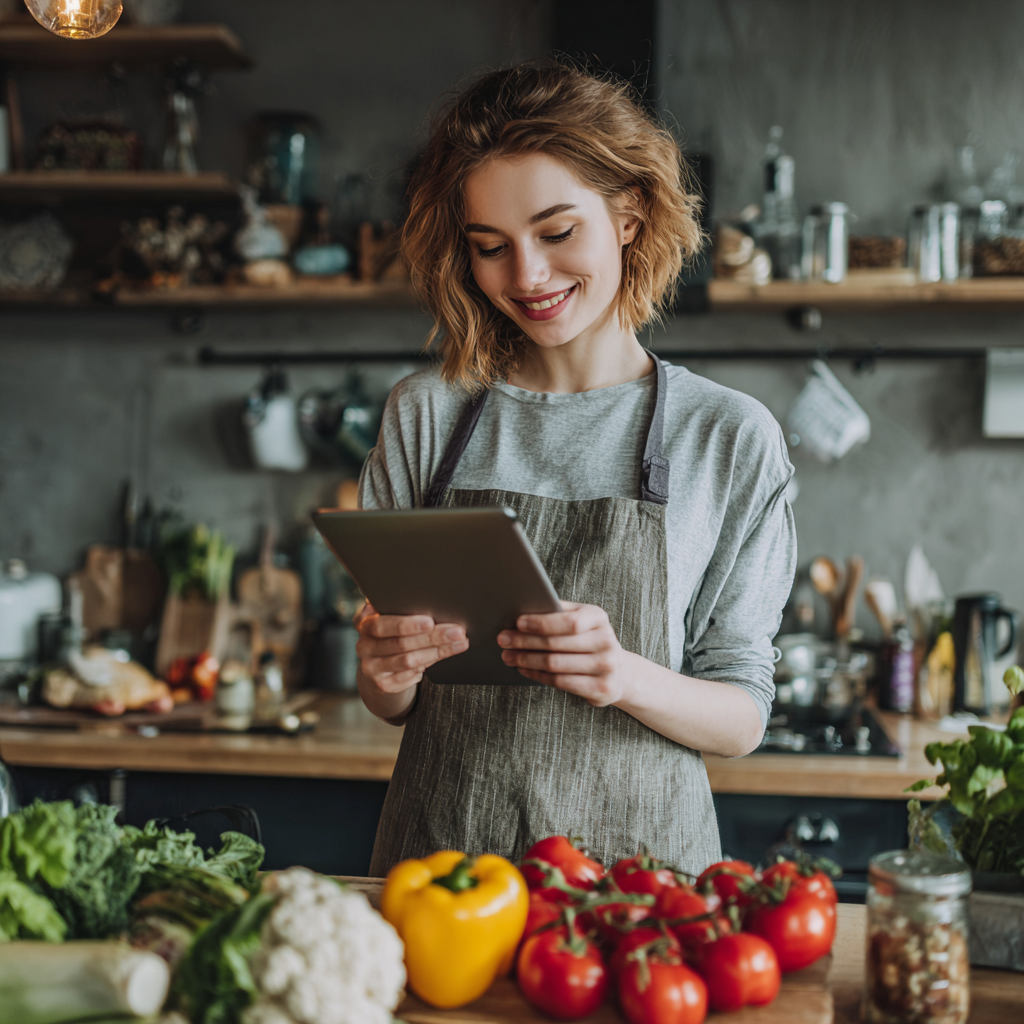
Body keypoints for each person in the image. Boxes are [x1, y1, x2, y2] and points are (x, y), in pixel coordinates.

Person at [356, 61, 796, 878]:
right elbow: (395, 701)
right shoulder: (426, 414)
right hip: (442, 876)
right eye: (491, 247)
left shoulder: (726, 435)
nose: (526, 277)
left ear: (629, 214)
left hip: (643, 899)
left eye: (557, 234)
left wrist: (620, 673)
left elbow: (741, 718)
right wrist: (383, 671)